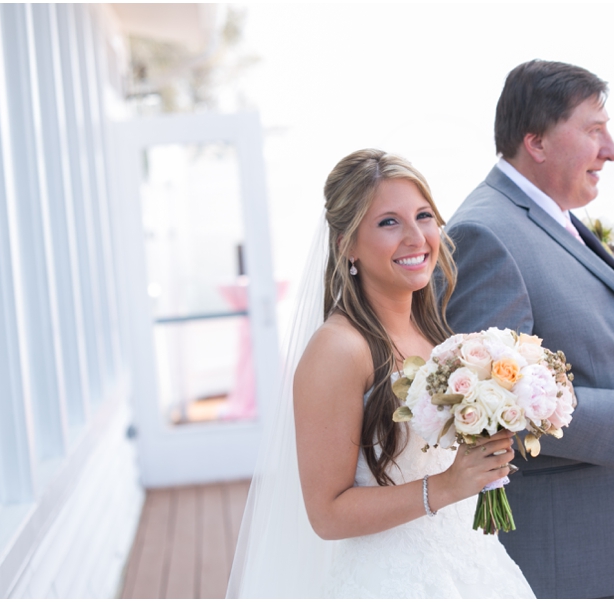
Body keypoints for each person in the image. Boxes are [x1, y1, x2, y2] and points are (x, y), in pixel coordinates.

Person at [227, 149, 534, 598]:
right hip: (392, 580)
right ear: (346, 244)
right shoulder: (338, 350)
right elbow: (326, 514)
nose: (416, 237)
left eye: (424, 216)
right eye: (389, 222)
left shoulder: (433, 334)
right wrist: (446, 486)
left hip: (471, 564)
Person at [443, 59, 614, 599]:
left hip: (611, 538)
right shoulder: (486, 231)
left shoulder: (547, 215)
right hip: (573, 559)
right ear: (536, 141)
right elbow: (488, 407)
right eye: (594, 130)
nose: (612, 150)